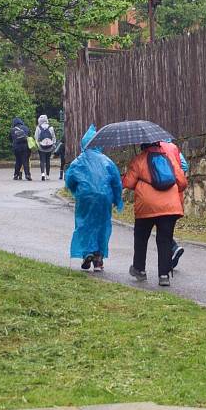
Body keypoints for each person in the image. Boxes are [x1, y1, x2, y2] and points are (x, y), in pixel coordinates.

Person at [123, 141, 187, 287]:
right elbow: (182, 182)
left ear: (142, 145)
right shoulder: (169, 158)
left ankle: (139, 269)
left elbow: (128, 183)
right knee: (165, 240)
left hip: (146, 206)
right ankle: (164, 275)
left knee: (141, 237)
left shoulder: (139, 159)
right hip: (170, 207)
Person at [65, 125, 123, 272]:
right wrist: (117, 200)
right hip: (104, 197)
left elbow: (69, 180)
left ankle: (87, 253)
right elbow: (116, 182)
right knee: (102, 225)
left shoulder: (78, 161)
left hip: (85, 197)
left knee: (85, 224)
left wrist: (76, 191)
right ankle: (98, 259)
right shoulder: (107, 161)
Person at [160, 140, 188, 270]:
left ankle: (174, 248)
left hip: (161, 195)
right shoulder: (174, 149)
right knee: (167, 228)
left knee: (162, 230)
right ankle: (171, 255)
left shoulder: (157, 149)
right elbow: (185, 166)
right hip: (176, 196)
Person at [35, 115, 57, 181]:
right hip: (49, 147)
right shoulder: (51, 127)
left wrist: (38, 145)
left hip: (41, 147)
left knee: (42, 161)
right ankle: (47, 175)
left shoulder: (38, 127)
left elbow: (36, 137)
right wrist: (53, 144)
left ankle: (42, 174)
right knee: (48, 161)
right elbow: (53, 137)